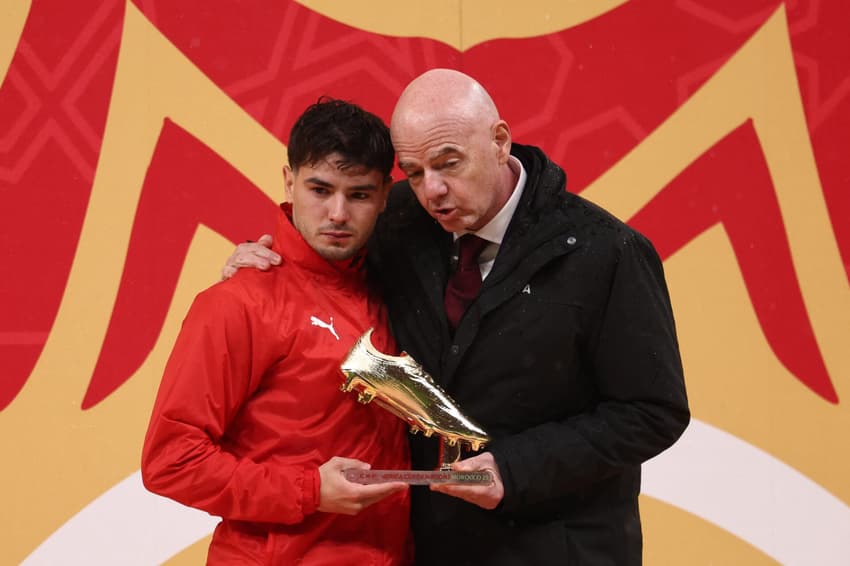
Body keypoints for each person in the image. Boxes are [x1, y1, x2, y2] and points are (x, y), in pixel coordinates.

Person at [224, 69, 690, 565]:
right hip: (431, 547)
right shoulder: (398, 220)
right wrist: (263, 261)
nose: (433, 191)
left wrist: (516, 469)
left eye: (449, 164)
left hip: (562, 548)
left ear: (499, 142)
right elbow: (324, 262)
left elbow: (652, 411)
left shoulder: (608, 252)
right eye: (414, 172)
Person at [141, 98, 413, 565]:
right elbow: (171, 460)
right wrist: (308, 490)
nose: (338, 213)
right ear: (289, 181)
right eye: (320, 189)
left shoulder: (396, 288)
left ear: (386, 195)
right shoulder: (238, 303)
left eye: (359, 195)